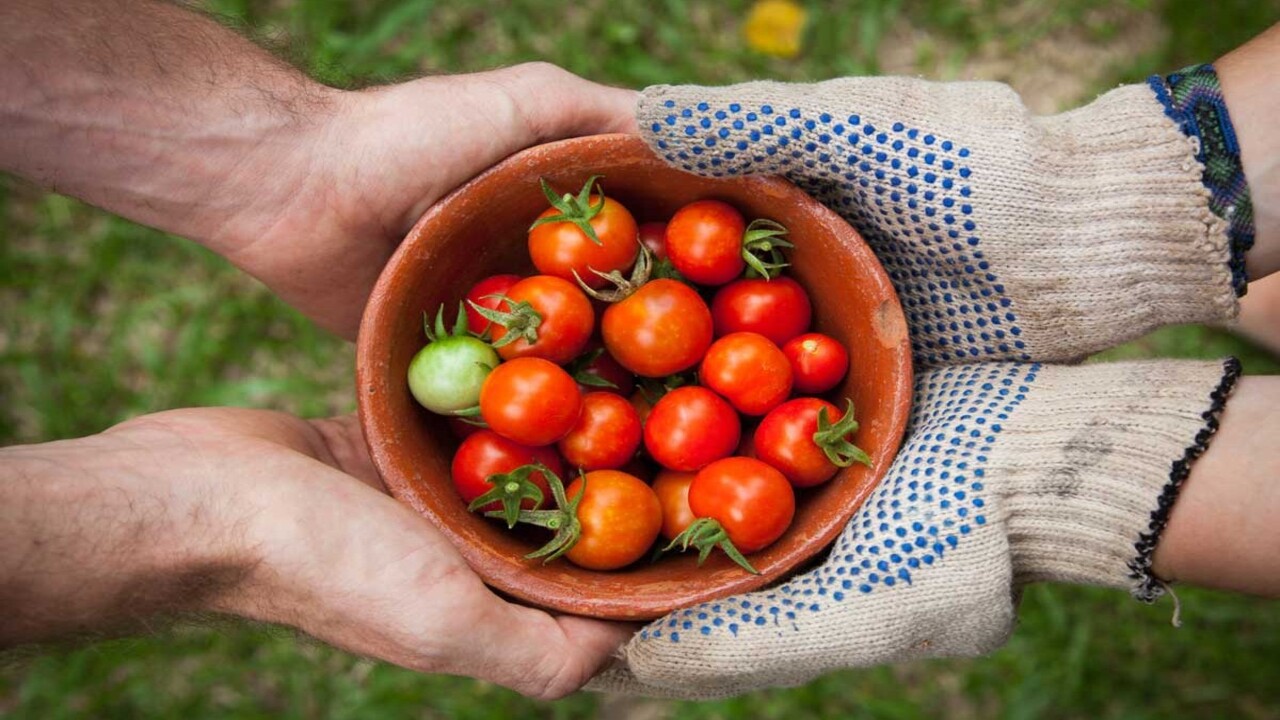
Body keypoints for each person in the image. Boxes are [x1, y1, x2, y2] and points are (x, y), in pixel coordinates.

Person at [0, 0, 1275, 700]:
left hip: (714, 422)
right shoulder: (591, 399)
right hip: (702, 436)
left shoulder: (599, 368)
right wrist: (204, 523)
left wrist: (1113, 193)